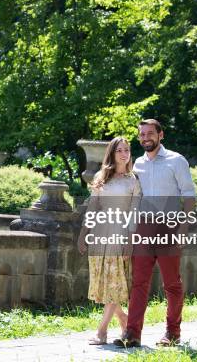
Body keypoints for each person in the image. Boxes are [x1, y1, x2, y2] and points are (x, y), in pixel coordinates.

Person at [115, 119, 196, 348]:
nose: (145, 138)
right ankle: (132, 333)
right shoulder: (137, 163)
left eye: (150, 133)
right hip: (143, 228)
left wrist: (184, 227)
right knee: (138, 282)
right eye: (142, 134)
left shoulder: (176, 160)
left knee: (171, 283)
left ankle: (173, 332)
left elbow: (188, 195)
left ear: (161, 135)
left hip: (169, 227)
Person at [78, 136, 141, 345]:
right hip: (99, 233)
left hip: (120, 232)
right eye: (120, 150)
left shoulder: (133, 180)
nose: (124, 154)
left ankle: (102, 331)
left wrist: (130, 241)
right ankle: (122, 318)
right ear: (112, 154)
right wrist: (83, 233)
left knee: (115, 282)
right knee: (104, 282)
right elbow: (93, 207)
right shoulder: (100, 176)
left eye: (127, 150)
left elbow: (134, 213)